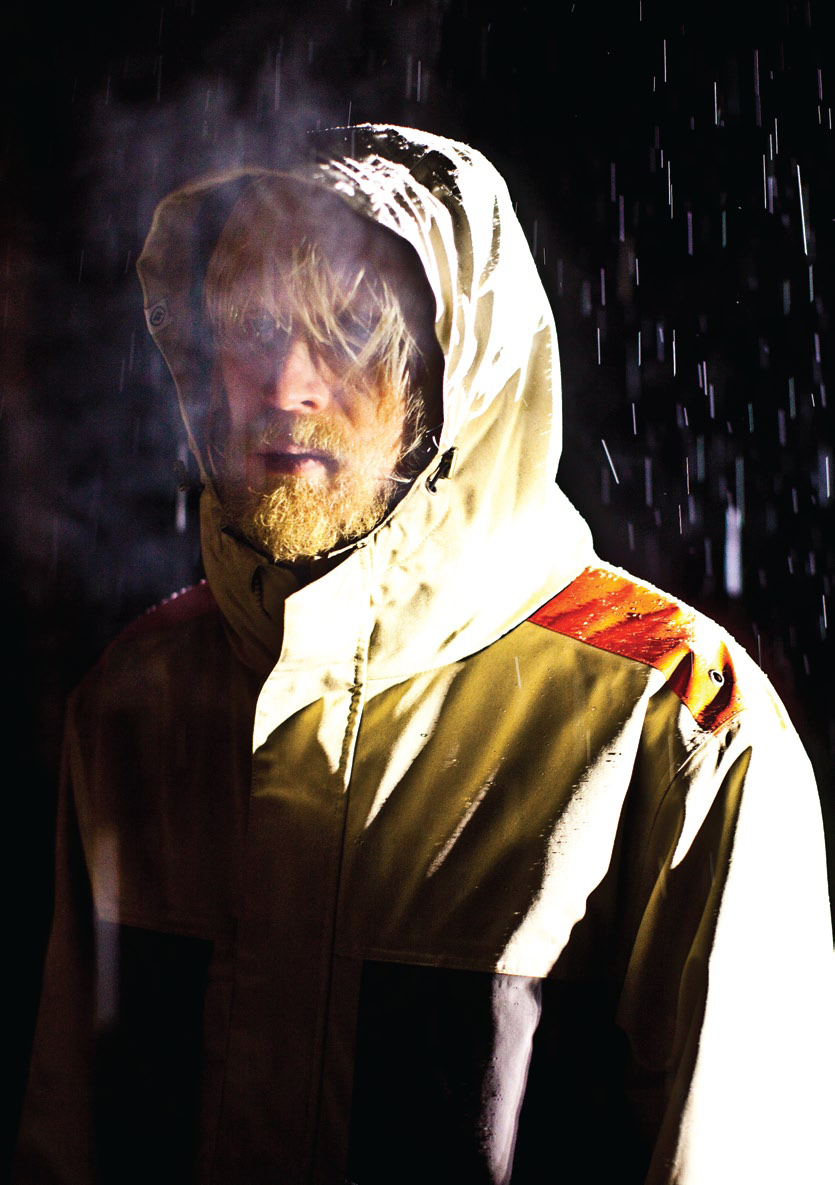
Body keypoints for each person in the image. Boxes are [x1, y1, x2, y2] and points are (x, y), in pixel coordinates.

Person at [13, 125, 834, 1185]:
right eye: (253, 325)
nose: (287, 382)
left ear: (466, 367)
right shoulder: (133, 700)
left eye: (353, 328)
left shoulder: (676, 723)